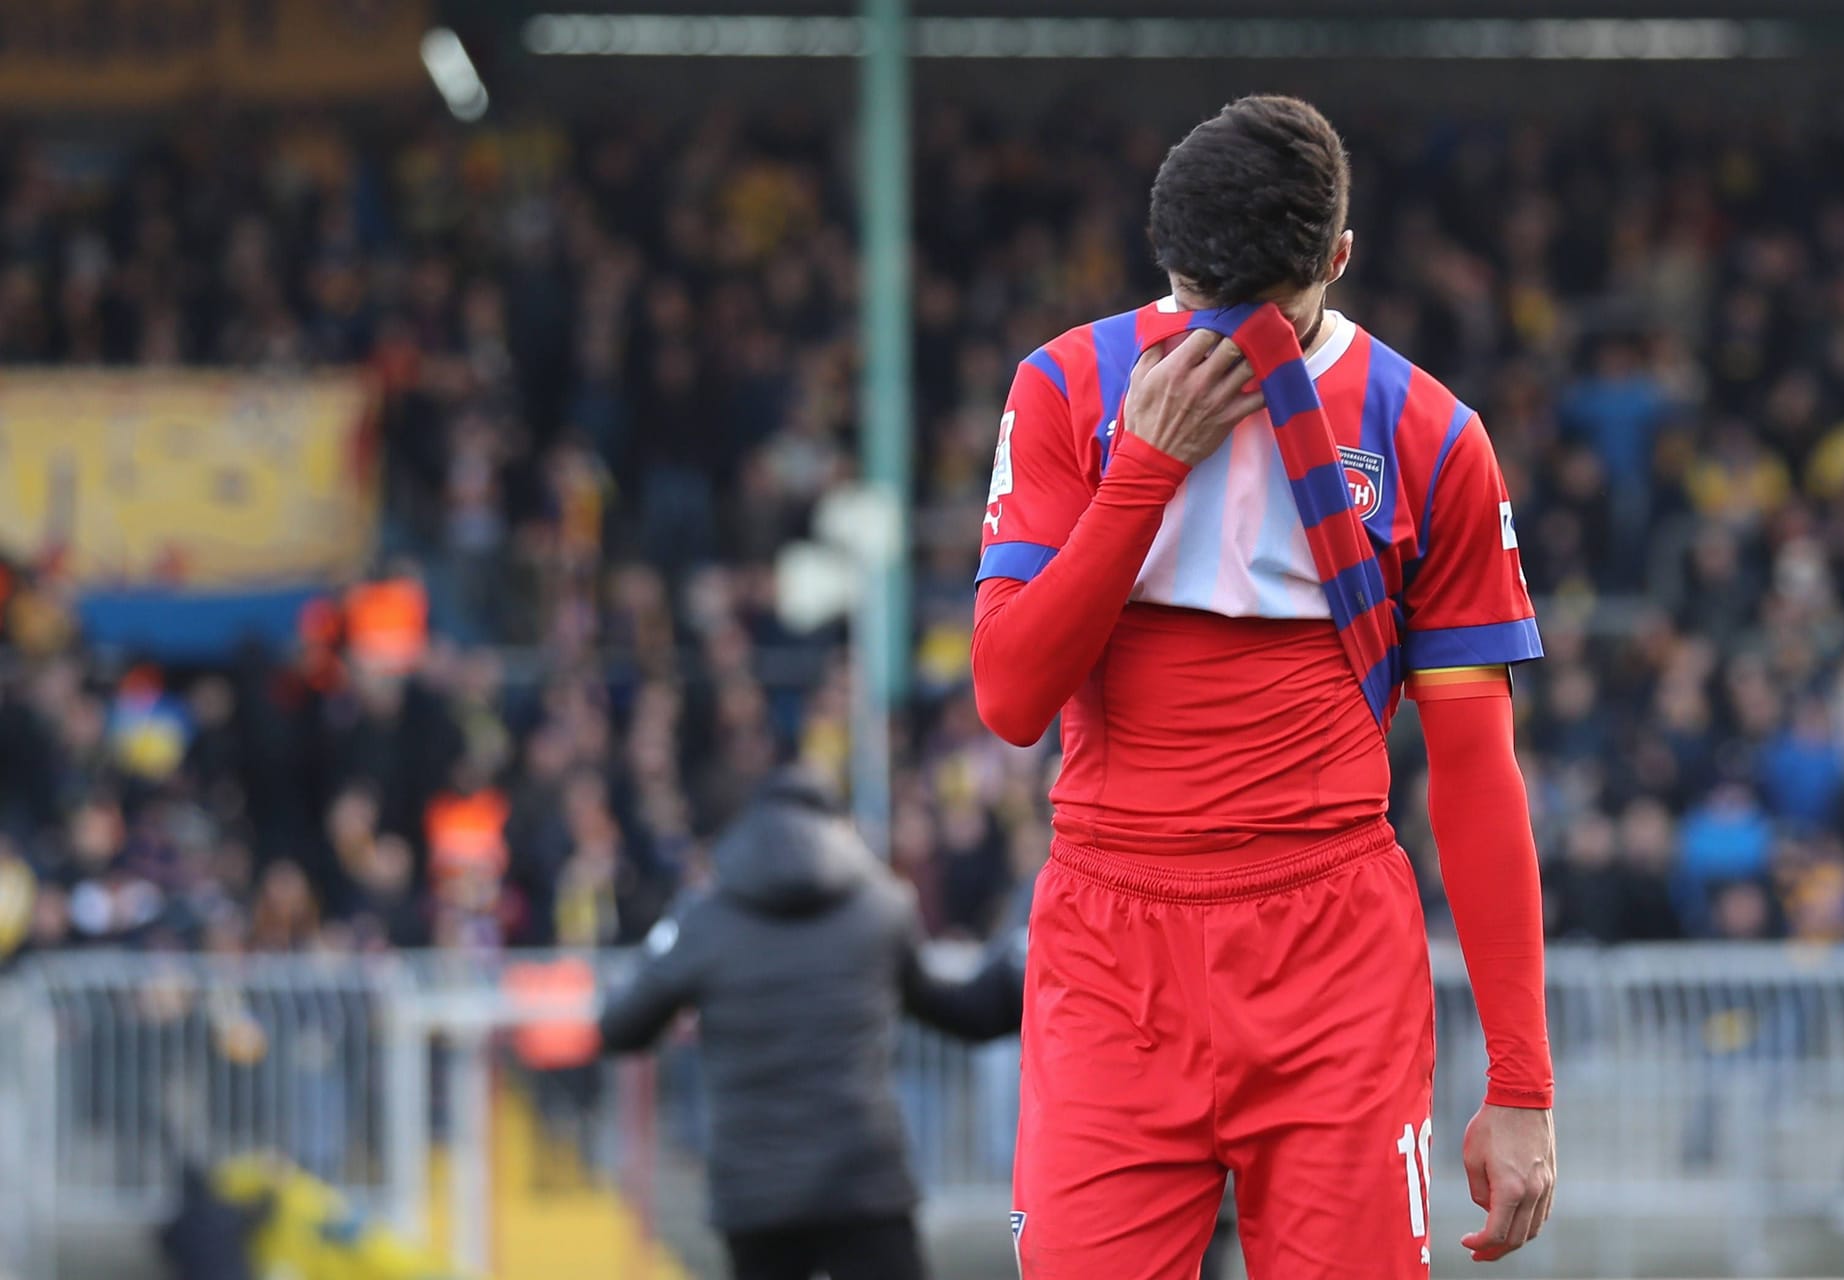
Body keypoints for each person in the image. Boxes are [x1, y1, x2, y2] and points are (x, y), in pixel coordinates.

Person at [972, 95, 1555, 1278]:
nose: (1233, 348)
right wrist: (1144, 468)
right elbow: (1012, 697)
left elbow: (1478, 770)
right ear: (1166, 264)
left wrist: (1522, 1081)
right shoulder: (1067, 388)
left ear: (1340, 262)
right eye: (1203, 310)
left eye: (1270, 320)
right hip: (1111, 946)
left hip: (1329, 949)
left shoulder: (1432, 435)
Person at [596, 765, 1022, 1280]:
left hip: (756, 1193)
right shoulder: (882, 908)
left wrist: (663, 955)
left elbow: (621, 1027)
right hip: (864, 1180)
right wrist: (1024, 964)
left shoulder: (704, 921)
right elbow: (962, 1014)